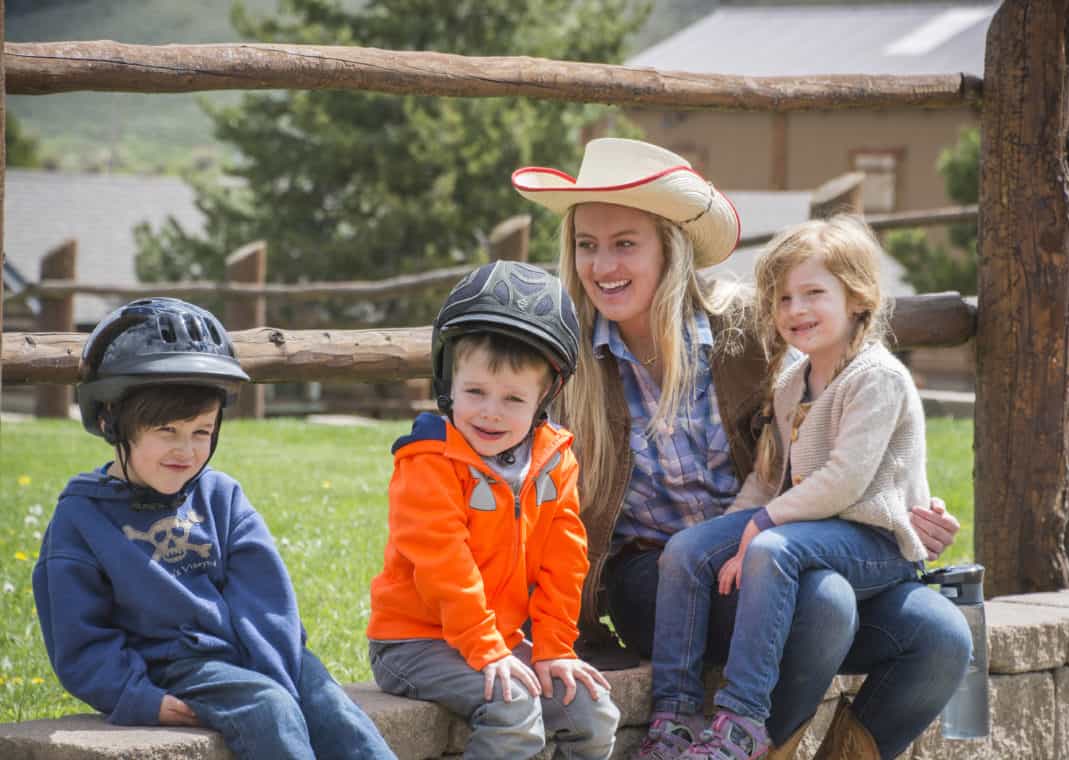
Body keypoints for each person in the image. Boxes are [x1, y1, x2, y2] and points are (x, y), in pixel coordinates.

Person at [512, 138, 972, 760]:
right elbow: (507, 478)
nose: (602, 265)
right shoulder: (565, 361)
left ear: (669, 248)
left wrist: (905, 505)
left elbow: (830, 426)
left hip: (783, 550)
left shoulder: (748, 332)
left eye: (625, 243)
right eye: (586, 245)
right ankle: (751, 747)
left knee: (941, 636)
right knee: (825, 603)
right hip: (663, 577)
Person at [32, 297, 396, 760]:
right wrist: (140, 697)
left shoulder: (221, 497)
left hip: (254, 652)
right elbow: (79, 639)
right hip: (177, 667)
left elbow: (266, 596)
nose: (185, 450)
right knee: (269, 708)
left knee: (330, 704)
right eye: (166, 430)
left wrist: (276, 666)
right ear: (109, 419)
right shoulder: (82, 519)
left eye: (201, 432)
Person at [645, 215, 951, 759]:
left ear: (858, 297)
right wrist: (722, 539)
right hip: (817, 528)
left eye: (813, 293)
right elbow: (768, 481)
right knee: (686, 551)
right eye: (784, 299)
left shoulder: (875, 378)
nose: (796, 310)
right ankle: (674, 717)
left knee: (772, 548)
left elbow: (844, 481)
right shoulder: (794, 381)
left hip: (878, 541)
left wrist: (759, 529)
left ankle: (740, 723)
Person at [367, 261, 620, 759]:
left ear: (546, 394)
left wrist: (552, 649)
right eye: (475, 392)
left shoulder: (555, 461)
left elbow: (564, 562)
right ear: (448, 381)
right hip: (414, 643)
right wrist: (487, 650)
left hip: (496, 639)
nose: (490, 412)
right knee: (512, 712)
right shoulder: (428, 460)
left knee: (592, 709)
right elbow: (443, 566)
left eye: (512, 398)